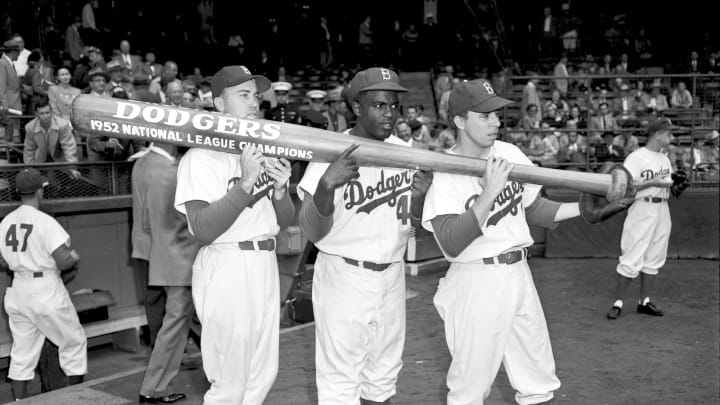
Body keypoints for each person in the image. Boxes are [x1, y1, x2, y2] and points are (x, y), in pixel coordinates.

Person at [421, 79, 582, 405]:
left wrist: (585, 211)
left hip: (519, 273)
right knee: (469, 388)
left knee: (537, 378)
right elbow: (451, 243)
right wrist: (489, 193)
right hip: (476, 280)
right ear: (459, 122)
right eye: (484, 115)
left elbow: (534, 209)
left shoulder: (509, 153)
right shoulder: (446, 173)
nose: (496, 122)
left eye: (496, 113)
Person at [297, 67, 433, 404]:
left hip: (392, 272)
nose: (389, 113)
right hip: (345, 275)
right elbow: (312, 230)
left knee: (384, 376)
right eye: (379, 105)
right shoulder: (331, 151)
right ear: (357, 108)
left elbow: (416, 224)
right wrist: (327, 185)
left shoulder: (405, 152)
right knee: (340, 381)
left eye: (393, 106)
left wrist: (419, 200)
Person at [174, 65, 295, 404]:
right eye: (243, 95)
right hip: (227, 263)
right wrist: (245, 183)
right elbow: (203, 229)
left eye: (255, 95)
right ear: (218, 103)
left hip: (264, 262)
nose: (254, 102)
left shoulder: (263, 151)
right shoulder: (200, 158)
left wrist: (282, 191)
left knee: (262, 375)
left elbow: (283, 221)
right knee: (230, 380)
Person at [0, 168, 86, 400]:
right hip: (45, 289)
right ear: (39, 191)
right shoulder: (45, 221)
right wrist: (73, 258)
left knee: (22, 352)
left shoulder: (6, 221)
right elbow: (63, 261)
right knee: (74, 342)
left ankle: (19, 400)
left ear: (18, 192)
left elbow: (2, 260)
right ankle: (76, 396)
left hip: (18, 288)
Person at [137, 142, 201, 404]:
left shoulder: (159, 173)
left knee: (177, 326)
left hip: (164, 259)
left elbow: (144, 223)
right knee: (174, 328)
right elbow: (200, 224)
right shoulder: (185, 177)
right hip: (183, 262)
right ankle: (153, 389)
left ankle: (155, 387)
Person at [606, 118, 676, 320]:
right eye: (668, 133)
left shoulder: (664, 158)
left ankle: (644, 301)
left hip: (662, 208)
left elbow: (666, 183)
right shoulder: (637, 157)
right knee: (632, 253)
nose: (671, 136)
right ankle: (617, 303)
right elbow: (625, 187)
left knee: (655, 256)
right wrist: (651, 182)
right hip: (642, 207)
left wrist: (676, 183)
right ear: (657, 134)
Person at [23, 97, 80, 179]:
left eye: (47, 113)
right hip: (41, 157)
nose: (45, 116)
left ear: (52, 112)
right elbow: (29, 149)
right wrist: (28, 170)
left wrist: (72, 167)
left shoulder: (62, 125)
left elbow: (69, 147)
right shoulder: (30, 127)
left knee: (67, 183)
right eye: (42, 113)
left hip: (60, 156)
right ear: (36, 114)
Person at [1, 38, 22, 142]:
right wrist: (5, 106)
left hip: (14, 106)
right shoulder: (2, 63)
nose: (19, 54)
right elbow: (1, 86)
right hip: (9, 107)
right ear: (13, 52)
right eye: (18, 52)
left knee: (15, 135)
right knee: (12, 135)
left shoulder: (9, 63)